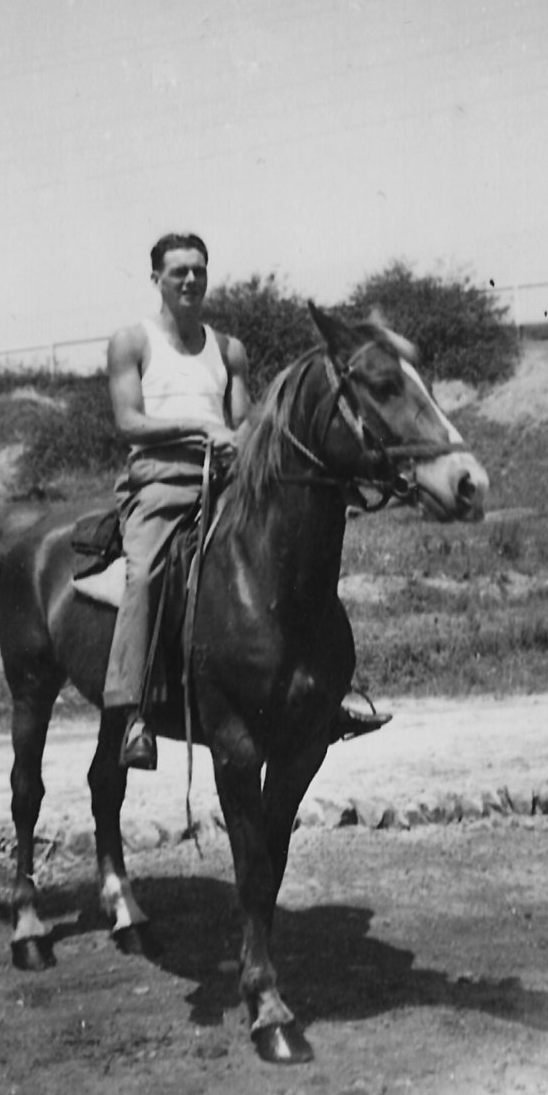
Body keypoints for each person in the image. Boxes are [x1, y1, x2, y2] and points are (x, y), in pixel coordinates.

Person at [104, 231, 390, 772]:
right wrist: (198, 428)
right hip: (162, 481)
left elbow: (240, 426)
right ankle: (133, 710)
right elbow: (129, 422)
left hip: (226, 477)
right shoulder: (132, 342)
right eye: (178, 271)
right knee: (143, 573)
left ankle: (329, 695)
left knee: (292, 557)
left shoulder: (229, 349)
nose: (190, 279)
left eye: (198, 269)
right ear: (156, 279)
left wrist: (238, 441)